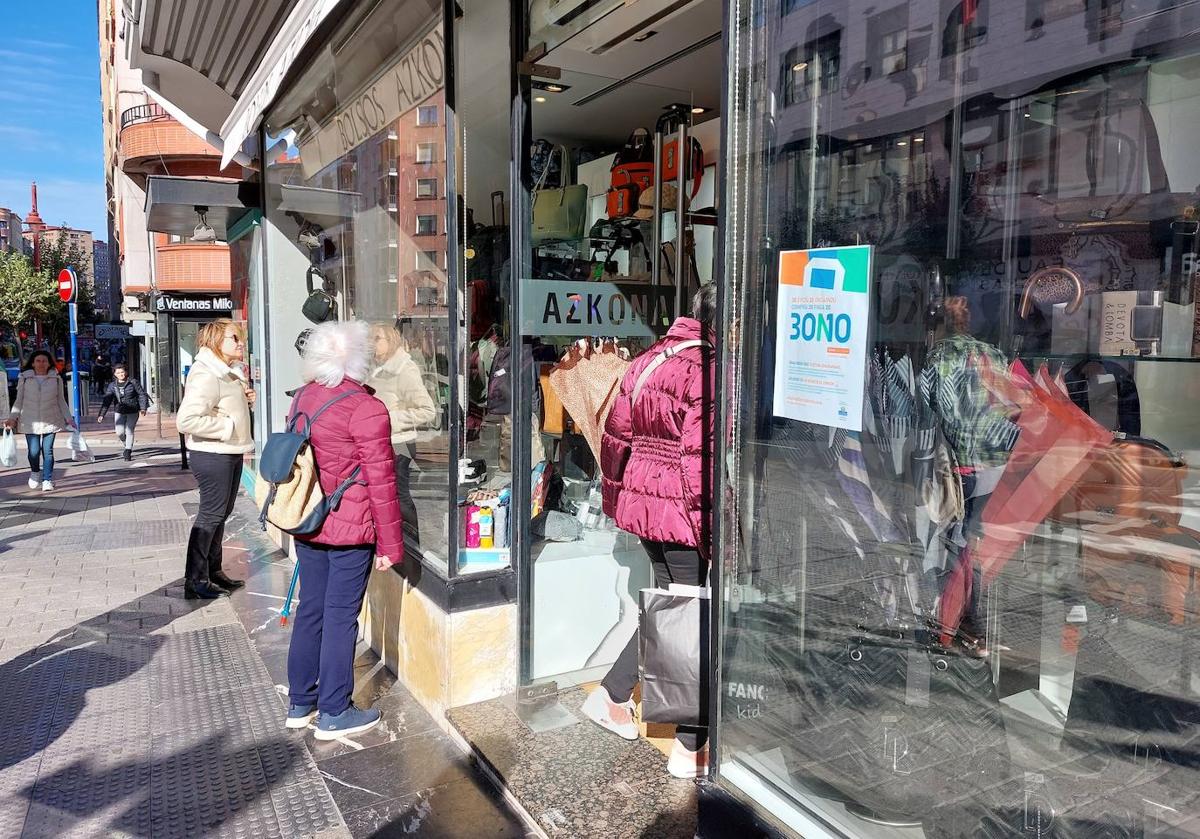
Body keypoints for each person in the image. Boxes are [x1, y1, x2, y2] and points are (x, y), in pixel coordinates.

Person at [585, 283, 717, 779]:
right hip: (680, 511)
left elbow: (613, 440)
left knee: (670, 610)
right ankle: (689, 746)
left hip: (646, 509)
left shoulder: (648, 360)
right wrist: (707, 532)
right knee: (687, 618)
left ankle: (611, 696)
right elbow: (699, 462)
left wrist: (620, 502)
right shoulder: (705, 369)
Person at [284, 320, 404, 740]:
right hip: (351, 529)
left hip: (309, 519)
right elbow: (382, 482)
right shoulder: (366, 408)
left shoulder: (302, 397)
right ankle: (335, 710)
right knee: (340, 616)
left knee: (311, 608)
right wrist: (391, 545)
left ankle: (301, 701)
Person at [176, 319, 255, 600]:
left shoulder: (226, 372)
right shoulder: (207, 373)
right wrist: (227, 427)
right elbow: (186, 419)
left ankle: (212, 570)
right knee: (210, 515)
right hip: (213, 454)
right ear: (215, 342)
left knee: (220, 514)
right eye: (235, 338)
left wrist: (243, 401)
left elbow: (220, 406)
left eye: (241, 337)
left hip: (228, 452)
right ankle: (195, 579)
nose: (241, 342)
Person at [366, 322, 436, 558]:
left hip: (400, 443)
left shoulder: (404, 369)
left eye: (377, 338)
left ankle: (413, 546)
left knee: (401, 496)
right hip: (382, 442)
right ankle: (395, 543)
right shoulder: (376, 368)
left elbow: (428, 410)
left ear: (391, 341)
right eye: (371, 338)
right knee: (387, 497)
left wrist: (389, 418)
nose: (372, 343)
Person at [6, 350, 74, 491]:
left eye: (44, 361)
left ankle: (47, 480)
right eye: (38, 361)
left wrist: (69, 418)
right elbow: (18, 401)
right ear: (32, 363)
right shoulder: (24, 378)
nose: (41, 363)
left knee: (47, 451)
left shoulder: (56, 378)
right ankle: (35, 472)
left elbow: (61, 400)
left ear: (49, 363)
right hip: (30, 420)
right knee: (34, 451)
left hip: (51, 419)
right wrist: (12, 418)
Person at [97, 364, 150, 462]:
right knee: (120, 432)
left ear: (125, 372)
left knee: (129, 430)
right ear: (114, 374)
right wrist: (101, 414)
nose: (121, 374)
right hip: (119, 410)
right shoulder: (112, 386)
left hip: (133, 410)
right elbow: (107, 400)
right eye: (118, 373)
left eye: (122, 372)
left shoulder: (133, 382)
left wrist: (143, 408)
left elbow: (142, 394)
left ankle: (128, 451)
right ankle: (127, 444)